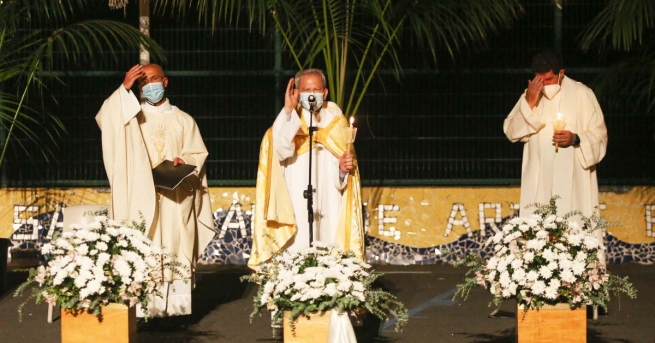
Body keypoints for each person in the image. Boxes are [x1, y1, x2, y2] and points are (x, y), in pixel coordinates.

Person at [95, 64, 215, 317]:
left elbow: (196, 153)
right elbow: (106, 120)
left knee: (174, 245)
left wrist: (185, 161)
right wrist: (124, 87)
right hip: (140, 195)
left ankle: (175, 309)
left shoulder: (184, 120)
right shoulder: (131, 117)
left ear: (165, 82)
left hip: (174, 196)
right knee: (145, 245)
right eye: (143, 81)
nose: (149, 84)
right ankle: (143, 310)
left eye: (154, 79)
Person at [248, 68, 365, 268]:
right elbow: (279, 149)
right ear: (297, 92)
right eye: (306, 89)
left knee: (329, 248)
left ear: (325, 93)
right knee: (298, 248)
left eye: (316, 89)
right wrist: (287, 109)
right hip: (297, 201)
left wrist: (342, 170)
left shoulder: (337, 123)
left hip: (329, 203)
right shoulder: (289, 121)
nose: (312, 94)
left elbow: (341, 176)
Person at [503, 51, 608, 258]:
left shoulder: (581, 94)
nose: (544, 85)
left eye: (549, 79)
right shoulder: (530, 95)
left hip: (572, 179)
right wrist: (529, 103)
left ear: (561, 73)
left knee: (574, 228)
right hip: (539, 178)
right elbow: (511, 132)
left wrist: (575, 139)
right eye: (539, 79)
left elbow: (599, 136)